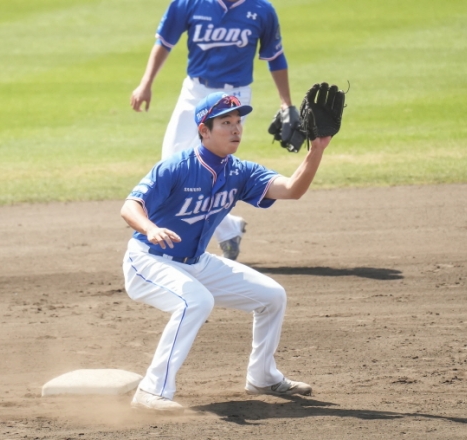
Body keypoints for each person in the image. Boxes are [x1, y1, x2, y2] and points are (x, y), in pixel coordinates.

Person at [121, 92, 331, 412]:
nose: (236, 129)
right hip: (148, 259)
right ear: (204, 130)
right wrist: (149, 227)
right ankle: (151, 391)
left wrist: (316, 149)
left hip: (196, 262)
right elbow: (130, 206)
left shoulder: (240, 171)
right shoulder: (177, 167)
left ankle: (262, 376)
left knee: (272, 296)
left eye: (238, 122)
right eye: (226, 123)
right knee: (196, 301)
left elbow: (292, 190)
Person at [130, 0, 299, 261]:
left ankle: (224, 232)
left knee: (213, 165)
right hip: (195, 92)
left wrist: (286, 103)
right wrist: (146, 83)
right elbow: (165, 42)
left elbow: (275, 57)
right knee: (172, 165)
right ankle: (229, 228)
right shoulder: (189, 3)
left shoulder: (262, 10)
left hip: (234, 97)